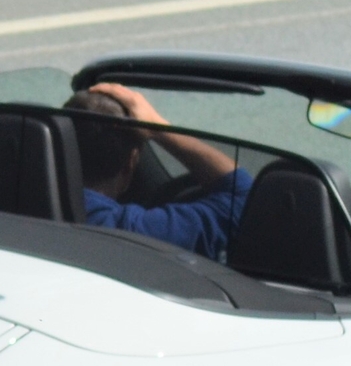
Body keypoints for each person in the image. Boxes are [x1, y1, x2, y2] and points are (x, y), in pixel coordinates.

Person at [64, 82, 254, 259]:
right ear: (129, 166)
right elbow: (243, 198)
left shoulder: (36, 210)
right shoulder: (130, 232)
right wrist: (157, 127)